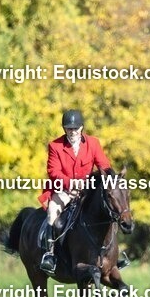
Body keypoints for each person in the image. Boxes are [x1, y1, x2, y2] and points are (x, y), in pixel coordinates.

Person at [38, 109, 129, 273]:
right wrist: (71, 184)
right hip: (63, 189)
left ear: (81, 128)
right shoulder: (55, 146)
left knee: (109, 210)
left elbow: (104, 165)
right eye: (69, 128)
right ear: (65, 129)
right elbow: (53, 171)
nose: (72, 132)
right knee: (52, 212)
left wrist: (111, 179)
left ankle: (115, 255)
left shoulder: (93, 143)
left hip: (87, 190)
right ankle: (50, 255)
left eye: (75, 128)